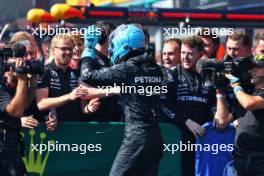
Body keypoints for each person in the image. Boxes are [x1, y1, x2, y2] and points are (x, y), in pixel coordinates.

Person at [80, 24, 164, 176]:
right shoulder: (155, 68)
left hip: (136, 137)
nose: (111, 49)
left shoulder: (128, 68)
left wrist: (88, 48)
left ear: (124, 44)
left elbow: (88, 75)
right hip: (155, 138)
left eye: (113, 45)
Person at [162, 36, 229, 176]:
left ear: (200, 54)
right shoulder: (171, 74)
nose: (185, 57)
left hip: (204, 138)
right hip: (177, 138)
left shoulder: (208, 75)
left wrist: (216, 113)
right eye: (183, 53)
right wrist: (186, 122)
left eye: (190, 53)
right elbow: (163, 105)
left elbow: (213, 101)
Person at [224, 54, 264, 176]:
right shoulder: (246, 93)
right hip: (241, 156)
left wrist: (236, 86)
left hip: (261, 158)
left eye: (257, 67)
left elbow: (249, 103)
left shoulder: (244, 95)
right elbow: (224, 120)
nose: (253, 70)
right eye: (252, 67)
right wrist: (219, 91)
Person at [9, 31, 57, 130]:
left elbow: (48, 101)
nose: (29, 58)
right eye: (25, 54)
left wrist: (52, 115)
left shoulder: (43, 72)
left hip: (39, 137)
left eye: (32, 53)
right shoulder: (5, 76)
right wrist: (17, 121)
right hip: (11, 136)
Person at [36, 33, 88, 121]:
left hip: (76, 128)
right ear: (53, 50)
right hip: (54, 131)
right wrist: (69, 96)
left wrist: (89, 108)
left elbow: (83, 106)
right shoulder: (44, 72)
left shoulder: (76, 73)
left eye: (70, 49)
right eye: (63, 49)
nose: (68, 52)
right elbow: (41, 104)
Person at [80, 21, 122, 122]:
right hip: (95, 122)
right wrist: (115, 90)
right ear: (102, 37)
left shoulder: (109, 60)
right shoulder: (89, 58)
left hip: (113, 120)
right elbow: (83, 91)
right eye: (113, 37)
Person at [0, 54, 31, 175]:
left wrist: (31, 84)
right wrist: (22, 79)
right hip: (4, 150)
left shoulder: (8, 87)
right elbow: (16, 111)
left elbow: (22, 107)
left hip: (10, 146)